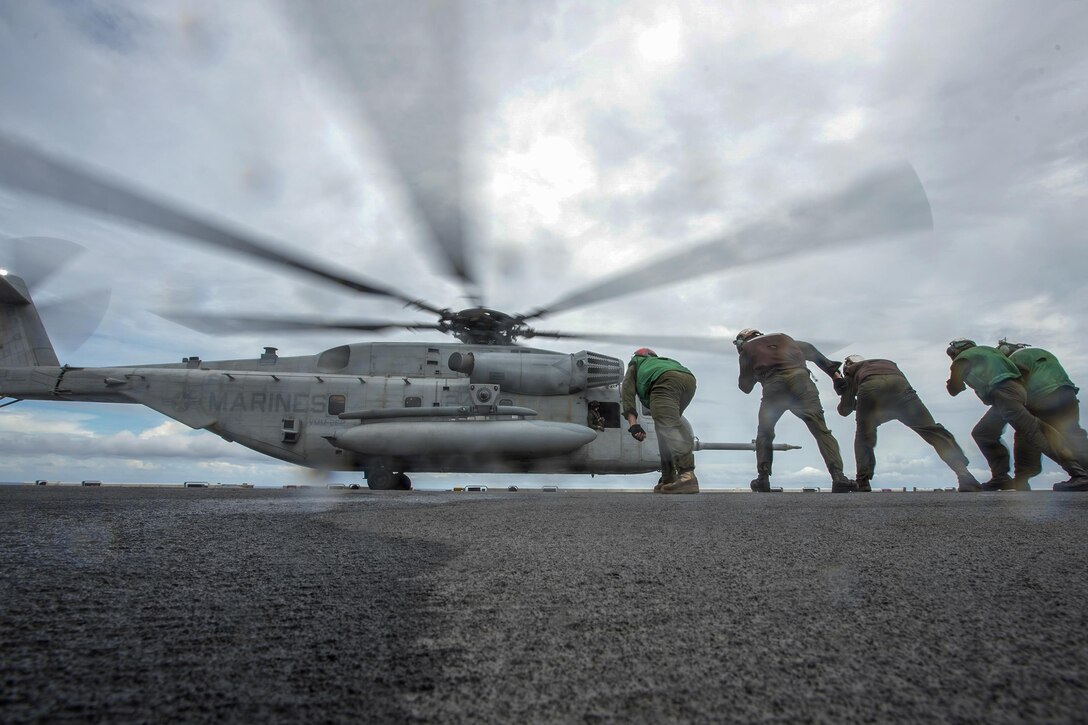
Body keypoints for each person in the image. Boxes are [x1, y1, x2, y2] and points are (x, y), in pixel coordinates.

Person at [946, 338, 1088, 491]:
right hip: (1064, 394)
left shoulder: (1008, 358)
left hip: (1021, 395)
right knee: (985, 431)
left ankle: (1077, 474)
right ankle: (1007, 478)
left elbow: (954, 389)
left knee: (1030, 431)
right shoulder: (997, 352)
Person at [835, 354, 981, 492]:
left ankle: (863, 482)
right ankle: (964, 475)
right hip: (900, 388)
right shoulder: (883, 364)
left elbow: (845, 410)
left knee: (863, 436)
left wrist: (843, 393)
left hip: (870, 389)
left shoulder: (851, 371)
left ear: (848, 365)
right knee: (931, 430)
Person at [734, 329, 856, 493]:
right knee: (821, 430)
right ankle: (838, 477)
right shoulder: (788, 341)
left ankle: (763, 479)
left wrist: (757, 370)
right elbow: (821, 359)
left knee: (765, 433)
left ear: (742, 341)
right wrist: (837, 378)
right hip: (802, 383)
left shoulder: (748, 350)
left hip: (774, 388)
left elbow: (745, 387)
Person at [621, 348, 699, 494]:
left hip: (664, 381)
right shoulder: (665, 361)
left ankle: (687, 476)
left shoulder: (636, 363)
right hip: (689, 381)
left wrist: (633, 424)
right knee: (664, 429)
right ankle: (669, 478)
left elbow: (627, 392)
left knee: (669, 428)